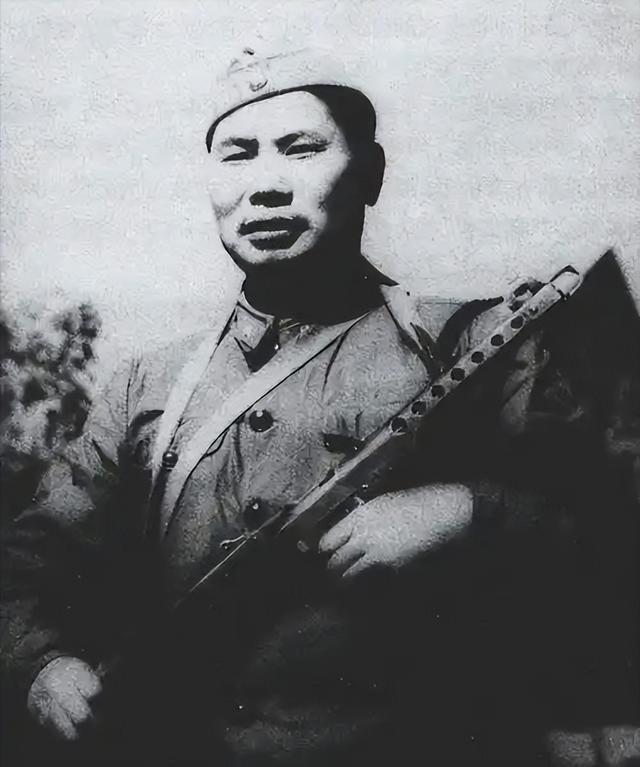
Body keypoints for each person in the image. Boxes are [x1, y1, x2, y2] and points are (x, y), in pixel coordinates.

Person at [1, 48, 638, 767]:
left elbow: (614, 534)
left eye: (301, 149)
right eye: (237, 155)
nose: (266, 185)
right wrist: (41, 666)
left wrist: (468, 509)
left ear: (370, 174)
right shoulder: (146, 386)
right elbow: (26, 567)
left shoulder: (475, 346)